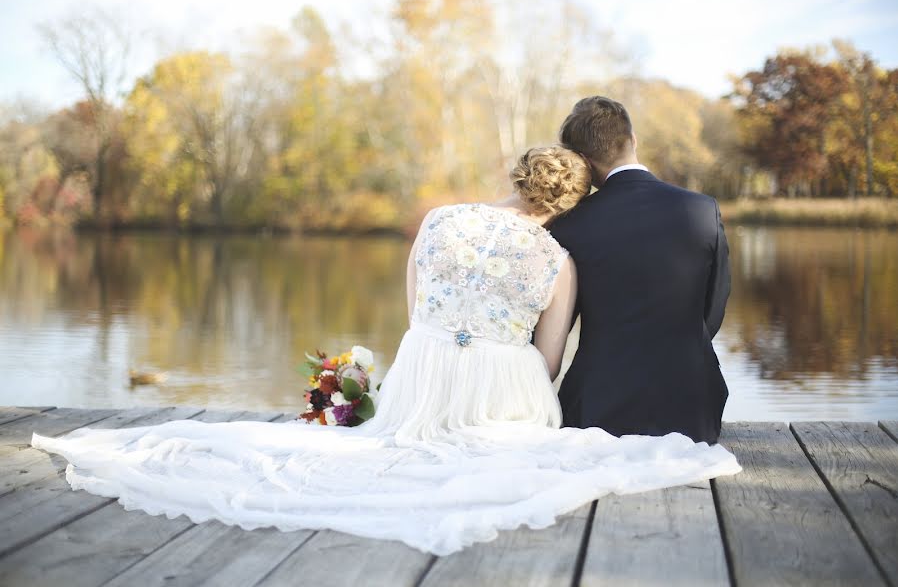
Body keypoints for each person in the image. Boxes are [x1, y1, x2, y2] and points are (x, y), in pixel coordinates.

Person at [32, 145, 740, 556]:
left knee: (379, 433)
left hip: (424, 372)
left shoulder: (438, 220)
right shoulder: (558, 258)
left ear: (517, 177)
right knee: (522, 412)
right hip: (503, 385)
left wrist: (444, 353)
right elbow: (548, 360)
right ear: (570, 201)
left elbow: (416, 313)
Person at [550, 96, 731, 444]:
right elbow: (714, 308)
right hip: (691, 407)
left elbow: (557, 327)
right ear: (633, 140)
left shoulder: (569, 224)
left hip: (596, 410)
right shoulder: (701, 210)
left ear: (583, 162)